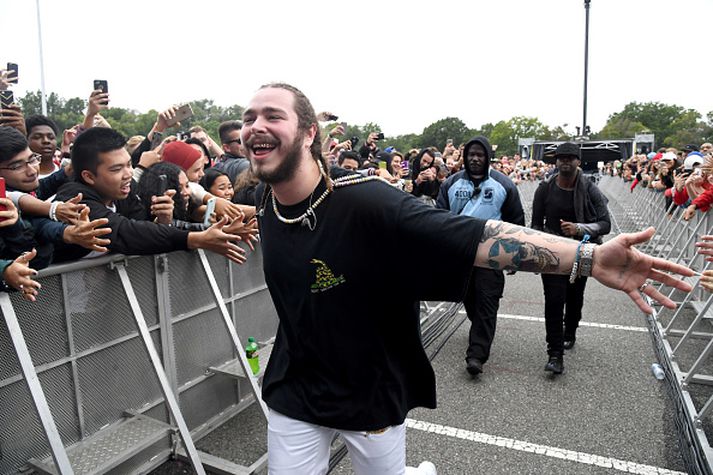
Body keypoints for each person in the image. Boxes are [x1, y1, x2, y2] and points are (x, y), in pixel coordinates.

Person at [240, 83, 691, 474]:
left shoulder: (368, 201)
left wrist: (589, 257)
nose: (255, 125)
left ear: (309, 132)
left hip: (369, 391)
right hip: (294, 389)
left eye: (272, 115)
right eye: (248, 117)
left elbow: (475, 236)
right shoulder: (265, 201)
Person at [53, 127, 249, 264]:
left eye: (129, 164)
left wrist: (163, 220)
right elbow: (126, 232)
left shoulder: (123, 195)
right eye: (116, 169)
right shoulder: (74, 199)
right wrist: (195, 238)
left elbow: (145, 227)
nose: (129, 174)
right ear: (88, 176)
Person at [436, 136, 524, 376]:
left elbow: (516, 221)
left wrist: (514, 256)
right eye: (471, 154)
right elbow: (438, 219)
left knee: (487, 302)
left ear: (487, 157)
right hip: (460, 255)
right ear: (465, 157)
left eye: (480, 155)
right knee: (470, 301)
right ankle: (480, 332)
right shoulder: (451, 184)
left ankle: (476, 355)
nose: (475, 159)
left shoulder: (503, 184)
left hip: (490, 254)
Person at [531, 142, 612, 374]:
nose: (565, 161)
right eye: (561, 158)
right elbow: (536, 224)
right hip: (552, 252)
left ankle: (571, 329)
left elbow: (605, 224)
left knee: (574, 298)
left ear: (578, 161)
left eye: (570, 158)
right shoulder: (545, 188)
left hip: (582, 251)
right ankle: (555, 354)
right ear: (556, 161)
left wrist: (579, 228)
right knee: (554, 301)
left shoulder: (590, 188)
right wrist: (541, 247)